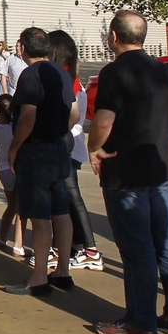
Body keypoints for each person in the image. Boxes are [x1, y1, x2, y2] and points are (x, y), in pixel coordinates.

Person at [86, 11, 168, 334]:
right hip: (161, 167)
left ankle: (141, 323)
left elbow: (103, 121)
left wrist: (95, 149)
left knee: (138, 247)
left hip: (127, 171)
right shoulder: (163, 70)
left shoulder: (115, 72)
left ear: (113, 36)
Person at [3, 28, 75, 298]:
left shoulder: (30, 75)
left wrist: (14, 148)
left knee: (41, 216)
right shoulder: (61, 73)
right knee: (61, 212)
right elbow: (73, 112)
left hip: (37, 151)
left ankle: (39, 276)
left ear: (22, 47)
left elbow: (28, 117)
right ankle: (63, 270)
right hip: (58, 148)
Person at [48, 29, 103, 271]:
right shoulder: (70, 78)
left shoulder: (66, 80)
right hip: (69, 143)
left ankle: (89, 249)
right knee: (67, 198)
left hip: (65, 144)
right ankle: (74, 245)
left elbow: (69, 117)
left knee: (71, 196)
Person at [0, 96, 23, 256]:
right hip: (16, 167)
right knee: (20, 208)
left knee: (12, 206)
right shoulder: (15, 129)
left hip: (3, 170)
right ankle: (18, 244)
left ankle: (2, 237)